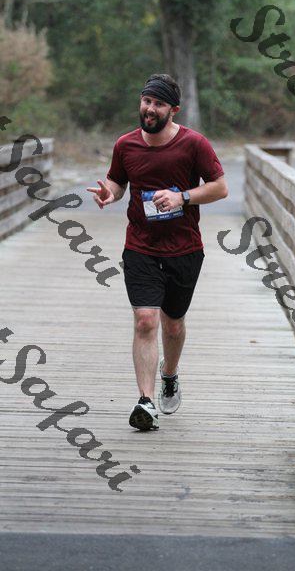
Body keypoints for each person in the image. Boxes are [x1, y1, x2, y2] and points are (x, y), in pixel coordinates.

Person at [87, 73, 228, 431]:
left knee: (173, 323)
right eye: (146, 101)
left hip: (184, 248)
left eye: (158, 104)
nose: (150, 109)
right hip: (140, 245)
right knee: (145, 320)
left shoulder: (194, 144)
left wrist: (182, 197)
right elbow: (118, 181)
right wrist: (109, 193)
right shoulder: (126, 144)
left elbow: (220, 188)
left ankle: (170, 373)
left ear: (173, 109)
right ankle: (146, 402)